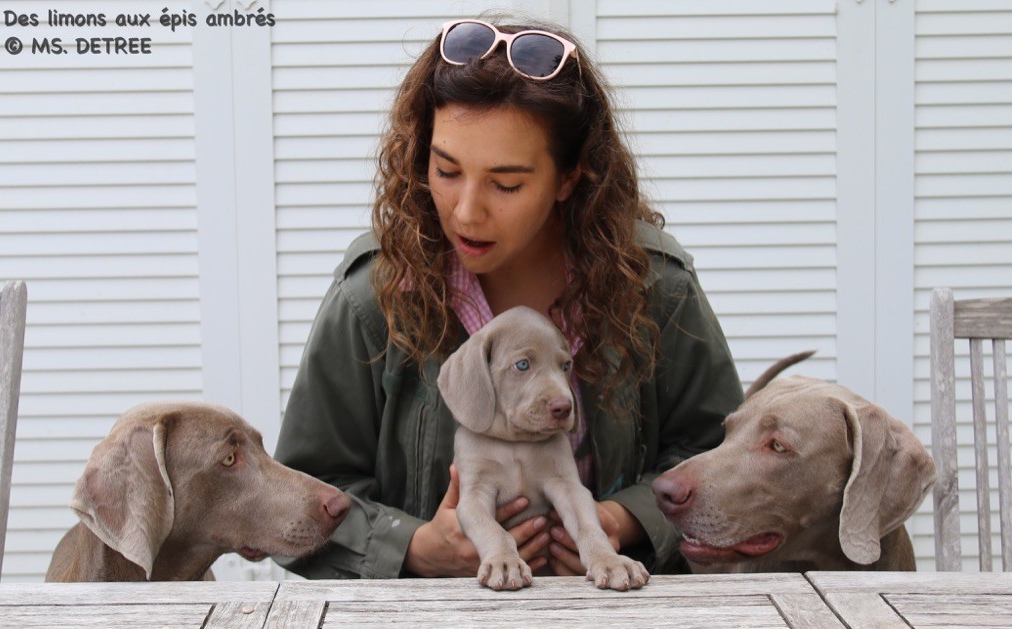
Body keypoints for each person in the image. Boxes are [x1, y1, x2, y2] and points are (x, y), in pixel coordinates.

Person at [273, 16, 743, 580]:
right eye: (447, 170)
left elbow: (717, 458)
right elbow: (303, 494)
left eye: (507, 184)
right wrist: (414, 548)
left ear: (569, 177)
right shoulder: (373, 297)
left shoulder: (654, 286)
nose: (467, 211)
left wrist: (627, 520)